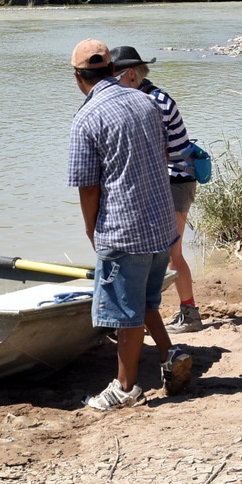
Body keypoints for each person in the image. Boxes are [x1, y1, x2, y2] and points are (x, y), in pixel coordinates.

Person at [67, 38, 193, 410]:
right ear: (112, 70)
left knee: (124, 314)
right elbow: (165, 154)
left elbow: (88, 188)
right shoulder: (146, 101)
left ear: (78, 77)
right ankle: (169, 355)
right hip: (160, 225)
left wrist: (92, 230)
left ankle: (125, 388)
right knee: (139, 301)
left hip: (124, 229)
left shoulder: (86, 118)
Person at [110, 45, 203, 333]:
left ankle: (188, 314)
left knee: (171, 253)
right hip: (169, 180)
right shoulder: (144, 97)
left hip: (174, 181)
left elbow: (156, 153)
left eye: (114, 78)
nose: (110, 86)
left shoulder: (154, 103)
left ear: (133, 74)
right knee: (162, 251)